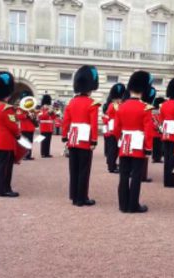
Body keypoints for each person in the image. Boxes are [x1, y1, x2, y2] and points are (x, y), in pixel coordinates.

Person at [113, 71, 154, 213]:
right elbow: (148, 130)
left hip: (125, 143)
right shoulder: (145, 108)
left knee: (123, 174)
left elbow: (116, 129)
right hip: (138, 145)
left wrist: (121, 140)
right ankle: (133, 205)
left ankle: (123, 205)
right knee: (136, 175)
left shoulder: (121, 107)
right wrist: (148, 148)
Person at [62, 65, 100, 207]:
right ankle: (82, 198)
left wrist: (65, 137)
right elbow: (94, 124)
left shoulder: (71, 102)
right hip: (85, 140)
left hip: (72, 139)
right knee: (84, 169)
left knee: (74, 169)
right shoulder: (92, 103)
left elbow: (66, 121)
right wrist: (94, 140)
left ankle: (74, 196)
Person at [0, 71, 21, 198]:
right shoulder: (6, 108)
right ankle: (5, 189)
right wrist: (18, 134)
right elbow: (13, 126)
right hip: (7, 141)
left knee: (0, 166)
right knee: (6, 168)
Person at [103, 83, 125, 173]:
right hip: (115, 129)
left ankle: (111, 164)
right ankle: (112, 166)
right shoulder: (116, 105)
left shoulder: (113, 104)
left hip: (113, 128)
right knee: (114, 149)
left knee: (113, 149)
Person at [140, 86, 157, 183]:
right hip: (142, 137)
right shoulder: (147, 108)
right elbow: (148, 129)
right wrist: (148, 148)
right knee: (142, 159)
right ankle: (143, 176)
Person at [16, 91, 37, 160]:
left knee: (30, 142)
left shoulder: (31, 108)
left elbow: (34, 117)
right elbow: (19, 117)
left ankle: (28, 155)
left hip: (30, 128)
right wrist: (27, 115)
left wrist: (33, 115)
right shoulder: (20, 108)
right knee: (25, 142)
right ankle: (24, 155)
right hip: (24, 128)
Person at [151, 97, 165, 163]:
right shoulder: (159, 111)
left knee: (156, 146)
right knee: (159, 145)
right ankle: (157, 158)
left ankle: (155, 158)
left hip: (156, 130)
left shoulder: (152, 111)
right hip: (159, 130)